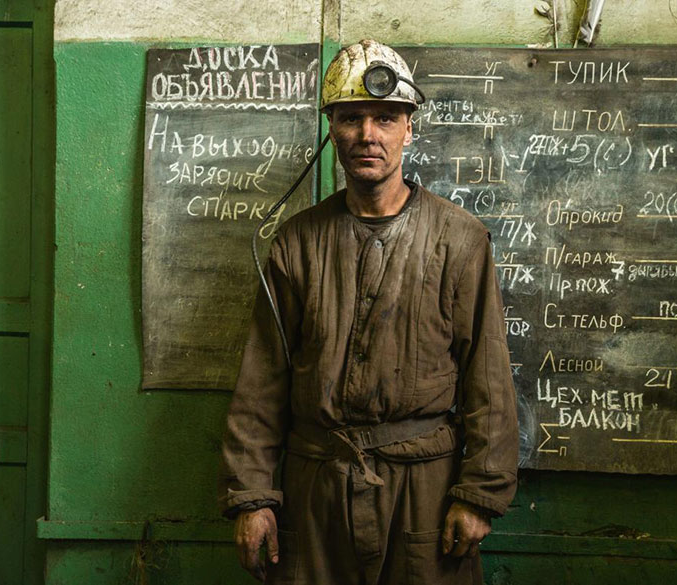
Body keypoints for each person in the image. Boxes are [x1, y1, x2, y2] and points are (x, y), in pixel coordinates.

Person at [220, 39, 518, 585]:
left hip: (424, 490)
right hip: (317, 488)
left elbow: (489, 377)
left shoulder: (459, 239)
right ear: (331, 129)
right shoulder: (297, 243)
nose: (367, 134)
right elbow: (262, 382)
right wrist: (252, 497)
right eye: (350, 118)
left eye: (385, 118)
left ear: (409, 129)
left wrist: (479, 494)